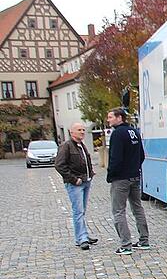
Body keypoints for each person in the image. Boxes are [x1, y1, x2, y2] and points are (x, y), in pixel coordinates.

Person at [106, 107, 150, 255]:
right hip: (135, 176)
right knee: (138, 208)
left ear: (120, 118)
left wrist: (111, 174)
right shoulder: (134, 132)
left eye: (110, 117)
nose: (108, 120)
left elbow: (115, 158)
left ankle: (125, 245)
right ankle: (144, 240)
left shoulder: (118, 134)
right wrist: (135, 168)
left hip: (121, 179)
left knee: (118, 211)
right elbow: (142, 156)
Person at [55, 122, 97, 250]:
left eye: (83, 130)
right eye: (79, 130)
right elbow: (59, 165)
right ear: (71, 132)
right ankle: (81, 238)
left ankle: (83, 234)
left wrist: (91, 173)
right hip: (76, 184)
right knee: (78, 211)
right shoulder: (66, 146)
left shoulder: (81, 146)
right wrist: (73, 179)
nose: (82, 132)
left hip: (86, 180)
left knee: (82, 210)